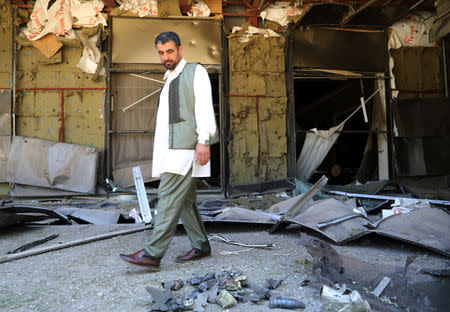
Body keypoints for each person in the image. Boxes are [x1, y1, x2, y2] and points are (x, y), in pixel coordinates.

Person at [119, 31, 217, 271]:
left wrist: (204, 140)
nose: (166, 56)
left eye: (170, 51)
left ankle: (152, 253)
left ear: (180, 50)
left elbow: (204, 107)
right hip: (171, 151)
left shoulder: (195, 72)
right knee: (186, 202)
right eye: (161, 53)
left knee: (167, 198)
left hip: (184, 150)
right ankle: (201, 246)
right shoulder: (169, 78)